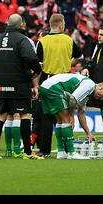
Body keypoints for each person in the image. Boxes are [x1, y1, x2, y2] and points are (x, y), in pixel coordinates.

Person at [0, 14, 41, 159]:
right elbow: (30, 57)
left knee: (1, 116)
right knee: (25, 115)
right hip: (20, 83)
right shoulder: (22, 39)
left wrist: (0, 76)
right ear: (22, 24)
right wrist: (37, 70)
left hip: (2, 83)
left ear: (7, 22)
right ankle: (28, 153)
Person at [38, 72, 103, 159]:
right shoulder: (90, 85)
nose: (101, 98)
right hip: (54, 88)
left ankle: (61, 152)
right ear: (100, 87)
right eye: (102, 95)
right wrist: (71, 115)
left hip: (45, 87)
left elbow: (81, 113)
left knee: (60, 121)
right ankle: (71, 152)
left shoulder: (87, 92)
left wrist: (88, 133)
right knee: (66, 120)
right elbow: (73, 99)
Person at [34, 12, 74, 157]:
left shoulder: (42, 42)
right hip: (64, 81)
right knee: (64, 115)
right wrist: (68, 63)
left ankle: (44, 150)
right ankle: (65, 149)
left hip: (47, 81)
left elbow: (38, 67)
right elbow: (80, 57)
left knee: (46, 117)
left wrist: (36, 85)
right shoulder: (69, 40)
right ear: (62, 24)